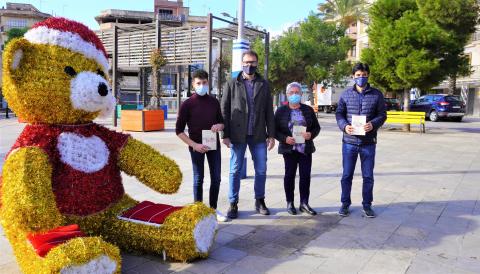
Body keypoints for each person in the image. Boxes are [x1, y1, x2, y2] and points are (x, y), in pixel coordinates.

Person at [221, 50, 276, 219]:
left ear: (257, 63)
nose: (249, 65)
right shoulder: (232, 83)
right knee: (235, 170)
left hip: (258, 134)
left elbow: (269, 111)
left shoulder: (264, 84)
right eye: (246, 62)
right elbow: (224, 109)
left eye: (252, 62)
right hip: (238, 135)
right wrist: (225, 134)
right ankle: (233, 203)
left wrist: (271, 135)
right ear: (241, 63)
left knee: (261, 169)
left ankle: (260, 200)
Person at [335, 63, 387, 218]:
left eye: (364, 75)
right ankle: (345, 204)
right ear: (353, 76)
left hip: (368, 143)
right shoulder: (345, 94)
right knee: (346, 175)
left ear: (368, 75)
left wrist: (373, 124)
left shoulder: (377, 94)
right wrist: (345, 126)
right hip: (349, 142)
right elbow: (339, 114)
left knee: (368, 176)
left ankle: (367, 205)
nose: (361, 77)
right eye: (358, 75)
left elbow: (383, 114)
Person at [176, 69, 228, 222]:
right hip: (196, 146)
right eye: (198, 83)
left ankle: (213, 210)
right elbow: (178, 131)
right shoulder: (187, 104)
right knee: (199, 179)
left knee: (216, 178)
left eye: (204, 83)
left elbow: (222, 123)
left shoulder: (214, 102)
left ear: (208, 83)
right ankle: (198, 211)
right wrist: (194, 145)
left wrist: (219, 126)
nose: (202, 86)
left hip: (213, 146)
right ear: (193, 85)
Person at [274, 82, 321, 215]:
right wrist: (284, 139)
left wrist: (310, 134)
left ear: (301, 94)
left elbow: (316, 127)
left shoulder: (308, 110)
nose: (294, 95)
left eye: (297, 92)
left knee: (305, 176)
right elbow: (274, 130)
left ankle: (304, 203)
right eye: (291, 93)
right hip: (289, 149)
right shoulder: (281, 111)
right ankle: (290, 203)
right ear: (287, 95)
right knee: (289, 176)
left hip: (305, 149)